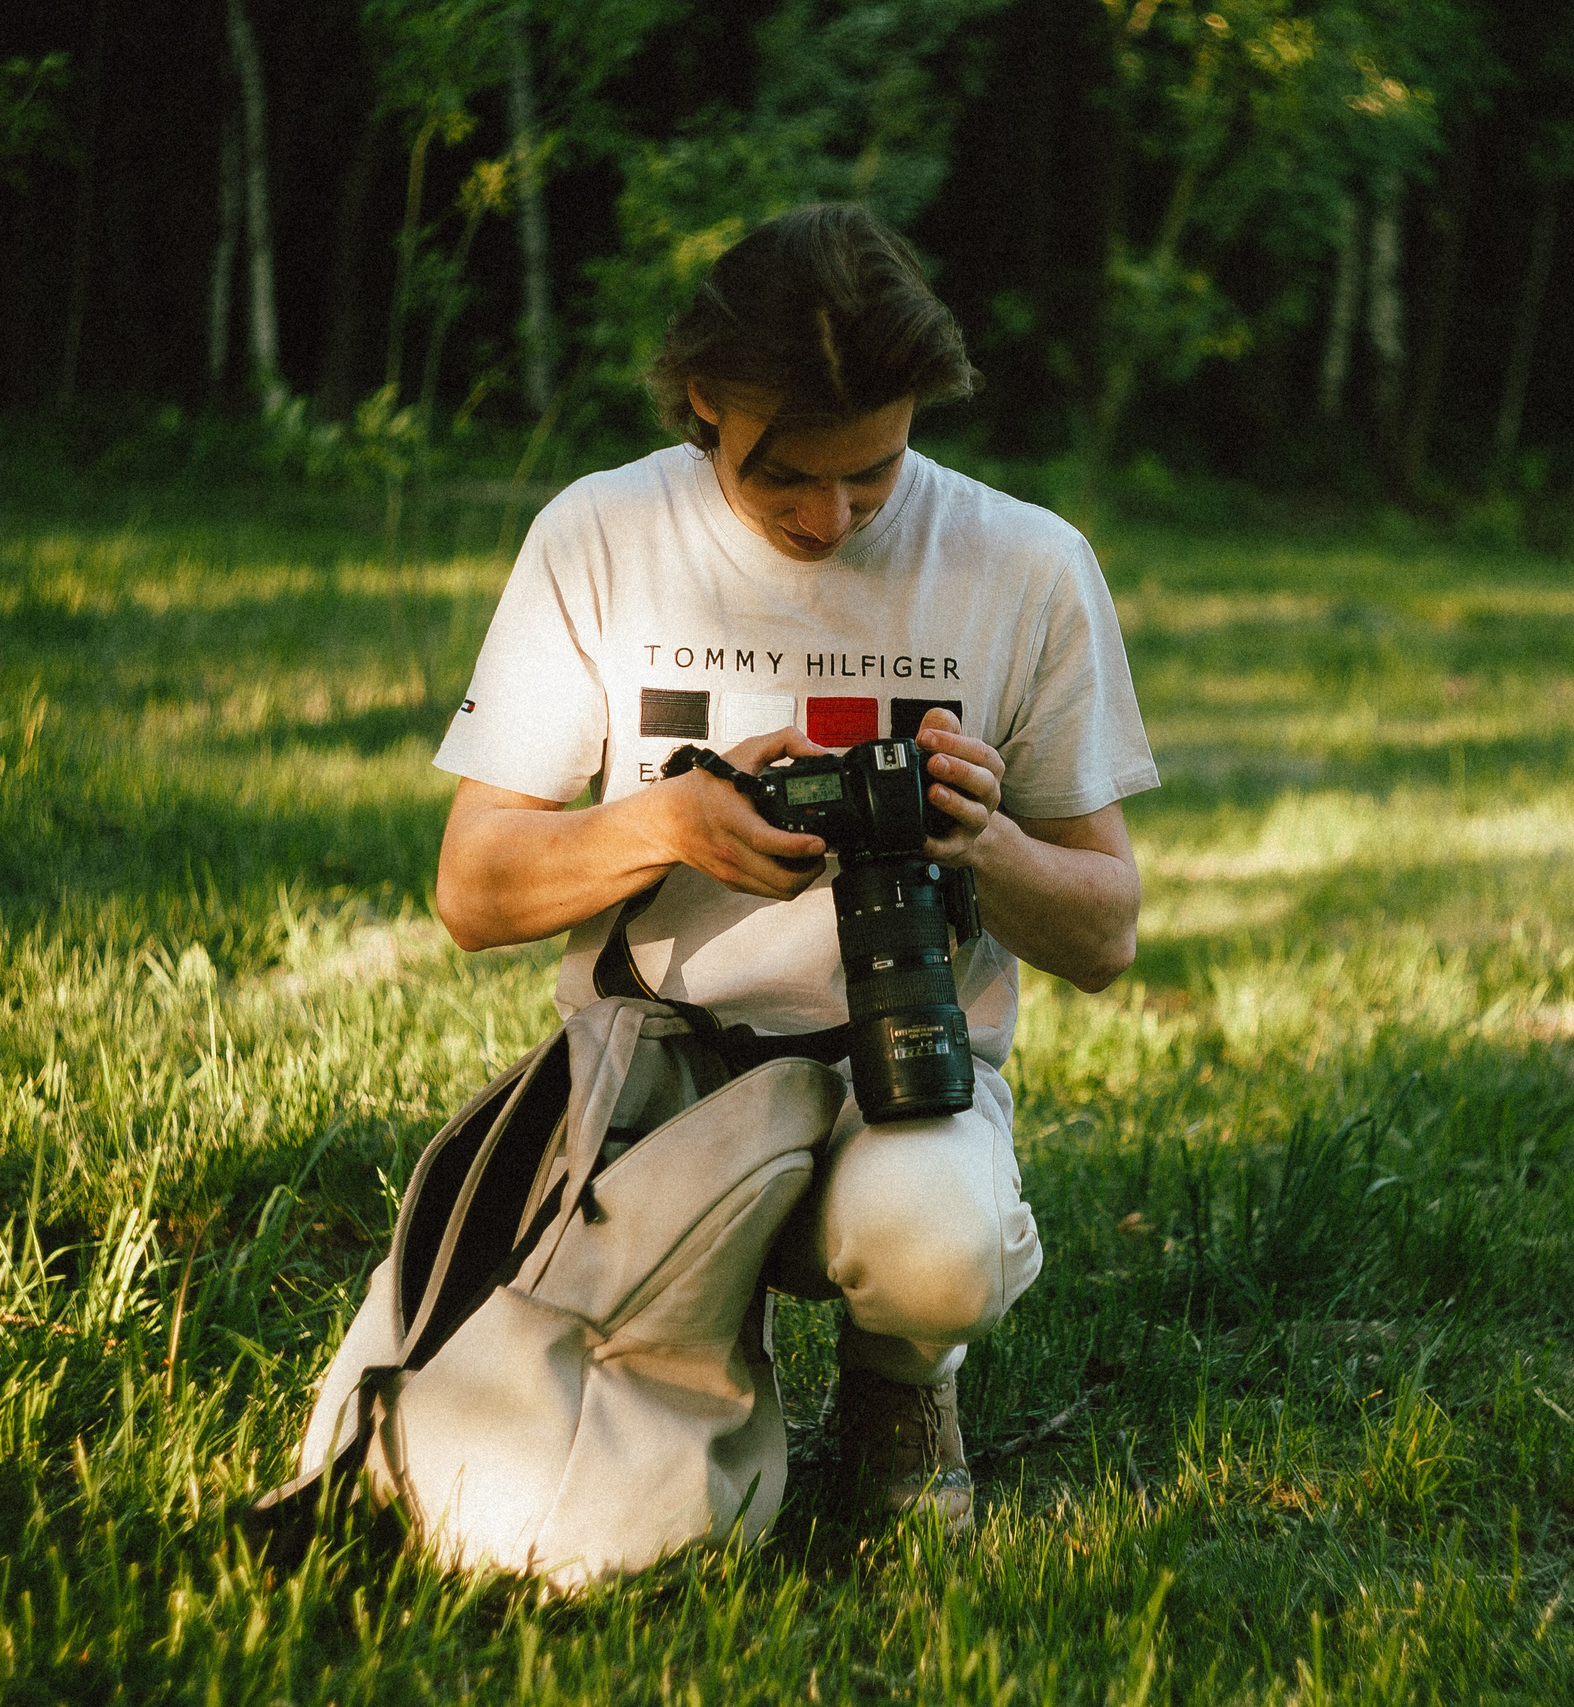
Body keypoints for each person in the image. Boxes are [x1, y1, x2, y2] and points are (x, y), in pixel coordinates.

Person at [429, 203, 1156, 1529]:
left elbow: (1108, 935)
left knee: (929, 1244)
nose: (834, 518)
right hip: (657, 1073)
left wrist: (978, 842)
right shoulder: (600, 538)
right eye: (788, 481)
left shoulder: (1025, 563)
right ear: (706, 401)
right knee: (607, 1524)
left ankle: (898, 1382)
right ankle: (705, 1371)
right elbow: (474, 893)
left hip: (905, 1068)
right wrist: (665, 824)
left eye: (873, 474)